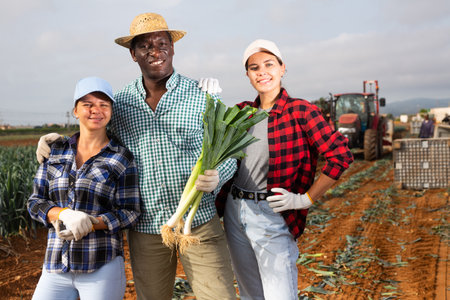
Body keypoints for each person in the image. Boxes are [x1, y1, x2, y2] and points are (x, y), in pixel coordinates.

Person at [36, 13, 237, 300]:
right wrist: (58, 141)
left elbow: (229, 146)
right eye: (145, 46)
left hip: (199, 222)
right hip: (147, 228)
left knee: (220, 297)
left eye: (162, 43)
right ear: (133, 54)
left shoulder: (202, 94)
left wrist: (221, 174)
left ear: (172, 47)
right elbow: (93, 132)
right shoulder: (122, 102)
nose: (155, 52)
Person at [215, 39, 354, 300]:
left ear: (282, 68)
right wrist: (204, 98)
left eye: (269, 64)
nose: (262, 72)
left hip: (272, 213)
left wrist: (305, 198)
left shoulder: (301, 111)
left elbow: (340, 155)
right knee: (249, 293)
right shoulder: (243, 113)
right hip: (235, 211)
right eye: (254, 67)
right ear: (247, 75)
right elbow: (213, 142)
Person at [28, 77, 141, 300]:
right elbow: (35, 202)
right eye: (88, 104)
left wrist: (92, 223)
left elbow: (130, 212)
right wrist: (63, 214)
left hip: (101, 264)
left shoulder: (121, 157)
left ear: (111, 111)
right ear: (75, 111)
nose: (96, 110)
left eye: (103, 105)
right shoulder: (55, 151)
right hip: (55, 264)